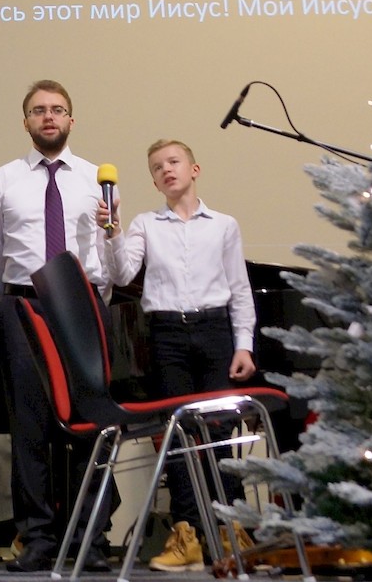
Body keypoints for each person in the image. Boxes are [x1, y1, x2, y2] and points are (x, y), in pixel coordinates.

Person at [103, 139, 258, 573]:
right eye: (157, 167)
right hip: (167, 333)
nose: (166, 170)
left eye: (174, 162)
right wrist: (112, 233)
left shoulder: (223, 225)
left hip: (215, 331)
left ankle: (229, 530)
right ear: (154, 181)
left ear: (194, 169)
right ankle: (186, 532)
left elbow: (239, 289)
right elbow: (122, 273)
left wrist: (244, 343)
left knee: (221, 430)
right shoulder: (145, 224)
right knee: (180, 434)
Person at [0, 80, 117, 574]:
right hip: (24, 307)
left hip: (82, 308)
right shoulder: (2, 180)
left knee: (90, 423)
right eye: (38, 110)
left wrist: (90, 297)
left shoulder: (97, 180)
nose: (48, 117)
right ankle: (37, 537)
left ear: (71, 120)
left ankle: (91, 538)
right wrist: (19, 296)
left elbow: (106, 255)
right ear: (25, 122)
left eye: (57, 109)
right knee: (29, 427)